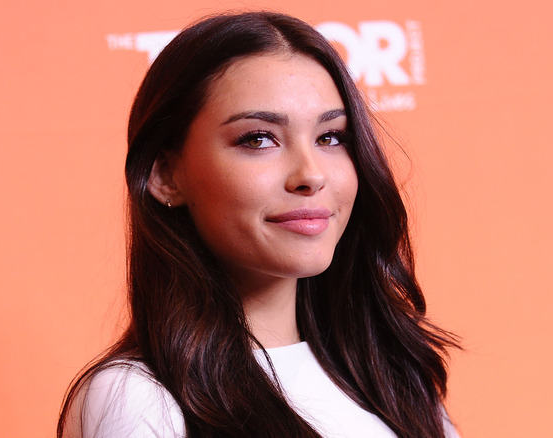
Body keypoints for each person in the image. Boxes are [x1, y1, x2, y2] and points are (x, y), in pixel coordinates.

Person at [58, 11, 459, 438]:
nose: (311, 174)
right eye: (258, 138)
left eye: (330, 137)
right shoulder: (137, 397)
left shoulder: (391, 374)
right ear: (164, 174)